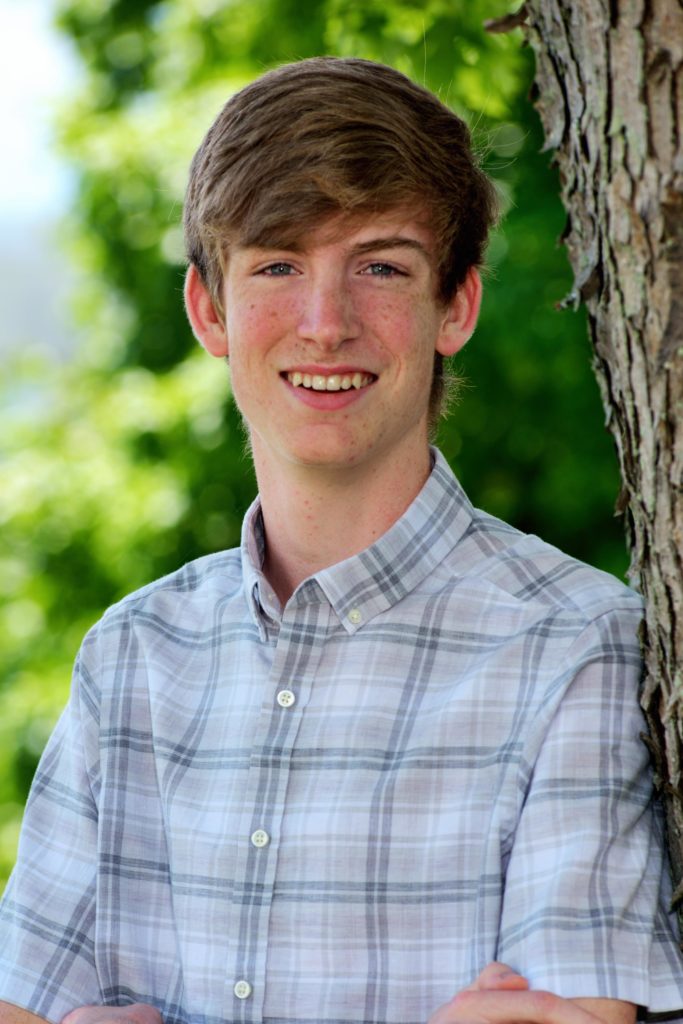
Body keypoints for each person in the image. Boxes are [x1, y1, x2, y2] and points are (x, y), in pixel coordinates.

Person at [0, 56, 681, 1024]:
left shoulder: (572, 644)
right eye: (277, 265)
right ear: (209, 309)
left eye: (381, 266)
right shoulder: (133, 656)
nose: (324, 324)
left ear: (455, 306)